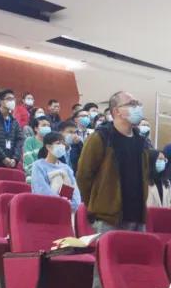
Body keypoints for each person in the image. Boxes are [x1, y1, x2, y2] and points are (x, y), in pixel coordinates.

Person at [77, 91, 152, 233]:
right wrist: (97, 205)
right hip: (108, 219)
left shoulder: (142, 142)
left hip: (138, 218)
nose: (137, 107)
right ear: (117, 111)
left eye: (137, 104)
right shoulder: (101, 137)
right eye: (131, 104)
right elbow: (83, 175)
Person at [30, 132, 81, 212]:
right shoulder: (38, 165)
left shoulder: (66, 168)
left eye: (63, 143)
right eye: (58, 143)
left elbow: (75, 191)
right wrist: (61, 203)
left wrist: (70, 205)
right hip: (45, 209)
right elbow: (41, 190)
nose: (62, 146)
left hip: (66, 210)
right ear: (48, 147)